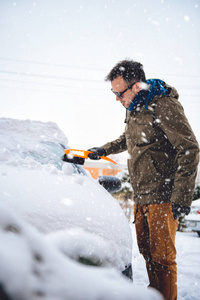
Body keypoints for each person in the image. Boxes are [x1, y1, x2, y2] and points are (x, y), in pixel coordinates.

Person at [87, 59, 199, 300]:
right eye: (113, 93)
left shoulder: (164, 105)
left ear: (136, 86)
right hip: (142, 196)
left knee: (163, 260)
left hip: (163, 196)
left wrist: (181, 197)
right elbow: (126, 139)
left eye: (119, 93)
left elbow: (189, 148)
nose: (116, 99)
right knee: (148, 255)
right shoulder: (133, 109)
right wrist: (102, 150)